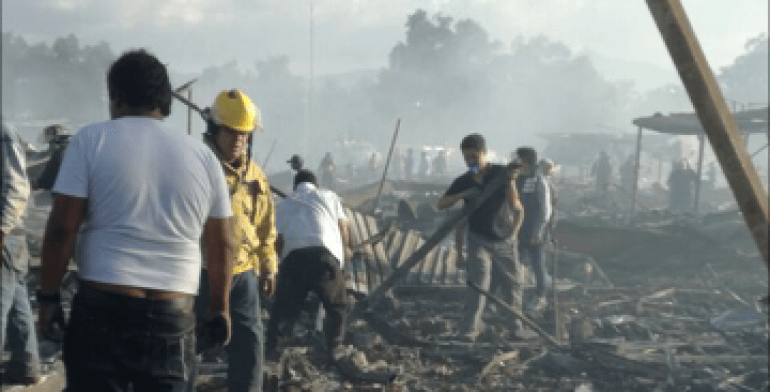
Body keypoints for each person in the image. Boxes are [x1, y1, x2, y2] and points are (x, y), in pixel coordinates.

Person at [37, 49, 234, 392]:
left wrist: (49, 297)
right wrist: (220, 308)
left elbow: (62, 228)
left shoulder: (90, 140)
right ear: (164, 99)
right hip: (173, 315)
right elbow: (223, 244)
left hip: (102, 308)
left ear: (116, 96)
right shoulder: (204, 158)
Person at [196, 89, 278, 392]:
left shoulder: (255, 175)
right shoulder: (198, 169)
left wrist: (268, 266)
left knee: (249, 351)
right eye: (231, 133)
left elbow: (265, 225)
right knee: (185, 348)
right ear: (215, 130)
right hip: (200, 274)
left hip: (243, 277)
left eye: (244, 134)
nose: (238, 140)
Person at [437, 134, 524, 341]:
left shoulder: (500, 174)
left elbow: (517, 207)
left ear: (484, 153)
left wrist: (513, 235)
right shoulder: (464, 181)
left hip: (503, 239)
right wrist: (462, 194)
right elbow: (441, 204)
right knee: (478, 285)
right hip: (478, 240)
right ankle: (469, 330)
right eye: (467, 158)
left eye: (474, 157)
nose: (471, 162)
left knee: (512, 285)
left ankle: (515, 327)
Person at [265, 169, 351, 360]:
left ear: (295, 186)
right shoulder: (329, 196)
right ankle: (334, 347)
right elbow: (343, 227)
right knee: (337, 304)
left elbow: (276, 240)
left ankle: (273, 349)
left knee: (284, 308)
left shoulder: (284, 203)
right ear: (316, 184)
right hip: (324, 256)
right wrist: (346, 250)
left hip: (294, 258)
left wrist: (278, 267)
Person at [1, 121, 41, 385]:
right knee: (17, 302)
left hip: (6, 236)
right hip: (10, 237)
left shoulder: (2, 132)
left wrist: (1, 230)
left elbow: (16, 187)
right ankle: (25, 366)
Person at [515, 147, 552, 312]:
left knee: (538, 263)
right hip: (520, 229)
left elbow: (545, 210)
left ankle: (541, 296)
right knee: (515, 261)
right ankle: (514, 295)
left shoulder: (539, 181)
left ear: (526, 161)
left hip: (535, 230)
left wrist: (538, 231)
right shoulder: (519, 179)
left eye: (519, 159)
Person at [33, 124, 71, 190]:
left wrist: (36, 184)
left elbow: (45, 180)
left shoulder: (59, 152)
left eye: (50, 143)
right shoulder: (76, 147)